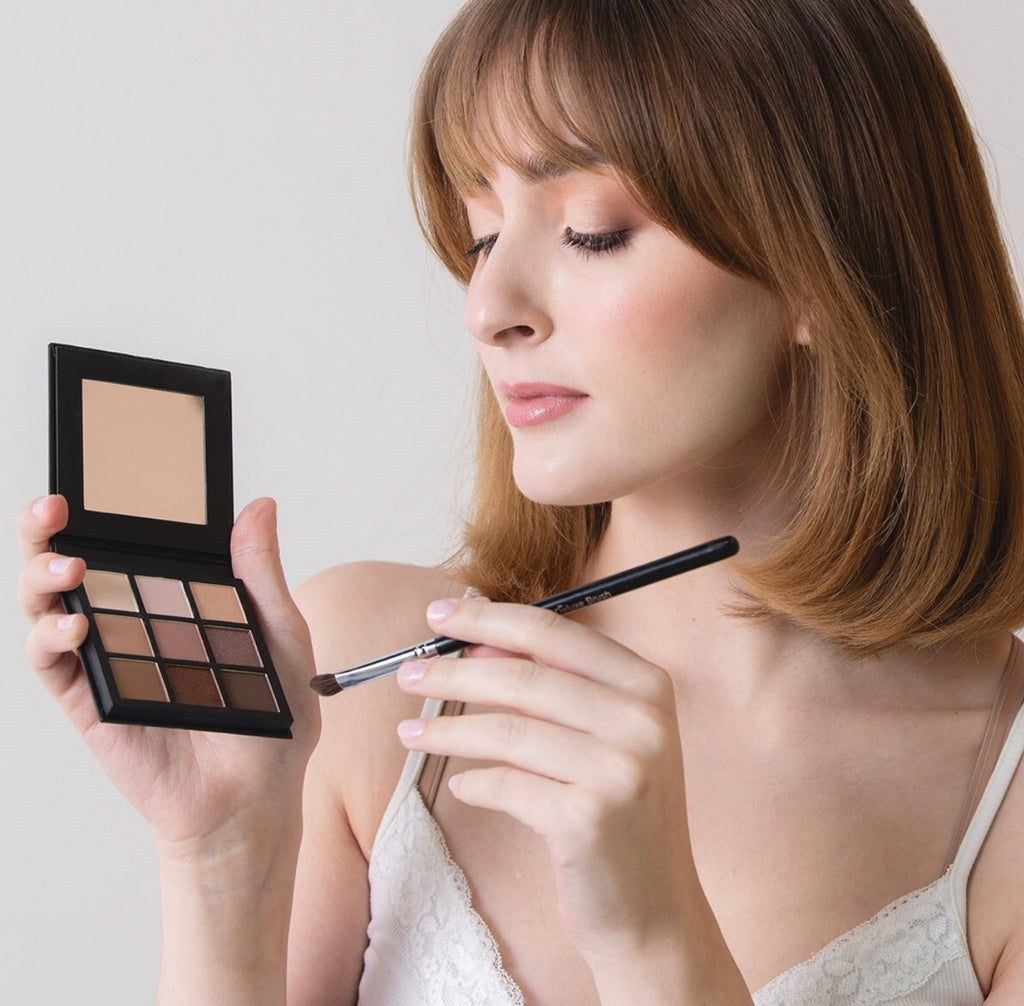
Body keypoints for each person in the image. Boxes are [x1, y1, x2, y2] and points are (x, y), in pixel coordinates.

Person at [17, 0, 1024, 1002]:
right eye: (482, 236)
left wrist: (655, 939)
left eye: (592, 232)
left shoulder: (1005, 798)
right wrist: (219, 858)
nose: (486, 309)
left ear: (822, 265)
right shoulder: (370, 679)